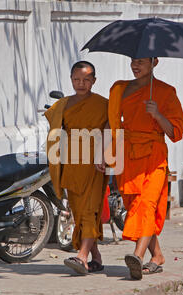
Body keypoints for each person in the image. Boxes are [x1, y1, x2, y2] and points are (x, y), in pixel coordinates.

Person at [99, 57, 183, 280]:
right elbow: (111, 122)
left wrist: (157, 114)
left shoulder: (166, 92)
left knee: (146, 204)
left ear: (154, 62)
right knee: (135, 206)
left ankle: (136, 256)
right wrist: (104, 152)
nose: (135, 66)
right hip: (127, 155)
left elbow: (175, 132)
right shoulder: (120, 88)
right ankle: (157, 256)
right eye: (132, 61)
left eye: (141, 62)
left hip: (154, 156)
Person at [44, 61, 109, 275]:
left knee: (90, 210)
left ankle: (82, 256)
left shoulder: (104, 104)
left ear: (94, 81)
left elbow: (111, 128)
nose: (81, 84)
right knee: (79, 212)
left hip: (94, 163)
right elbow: (54, 125)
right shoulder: (63, 104)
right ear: (71, 79)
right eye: (77, 79)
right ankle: (96, 257)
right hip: (72, 161)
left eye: (86, 80)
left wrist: (104, 153)